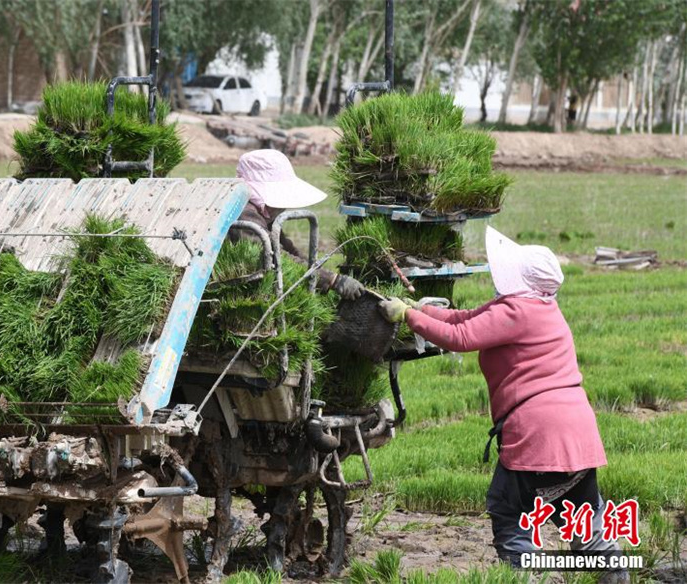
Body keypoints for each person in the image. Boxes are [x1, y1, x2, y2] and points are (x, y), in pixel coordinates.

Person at [379, 227, 624, 574]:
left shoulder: (517, 311)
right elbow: (465, 319)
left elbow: (460, 337)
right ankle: (616, 574)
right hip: (577, 433)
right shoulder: (540, 306)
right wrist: (424, 310)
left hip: (539, 433)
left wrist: (407, 316)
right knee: (585, 520)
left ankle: (522, 577)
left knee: (510, 513)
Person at [234, 149, 364, 300]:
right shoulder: (244, 214)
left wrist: (320, 272)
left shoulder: (262, 212)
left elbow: (286, 248)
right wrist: (331, 280)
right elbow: (277, 257)